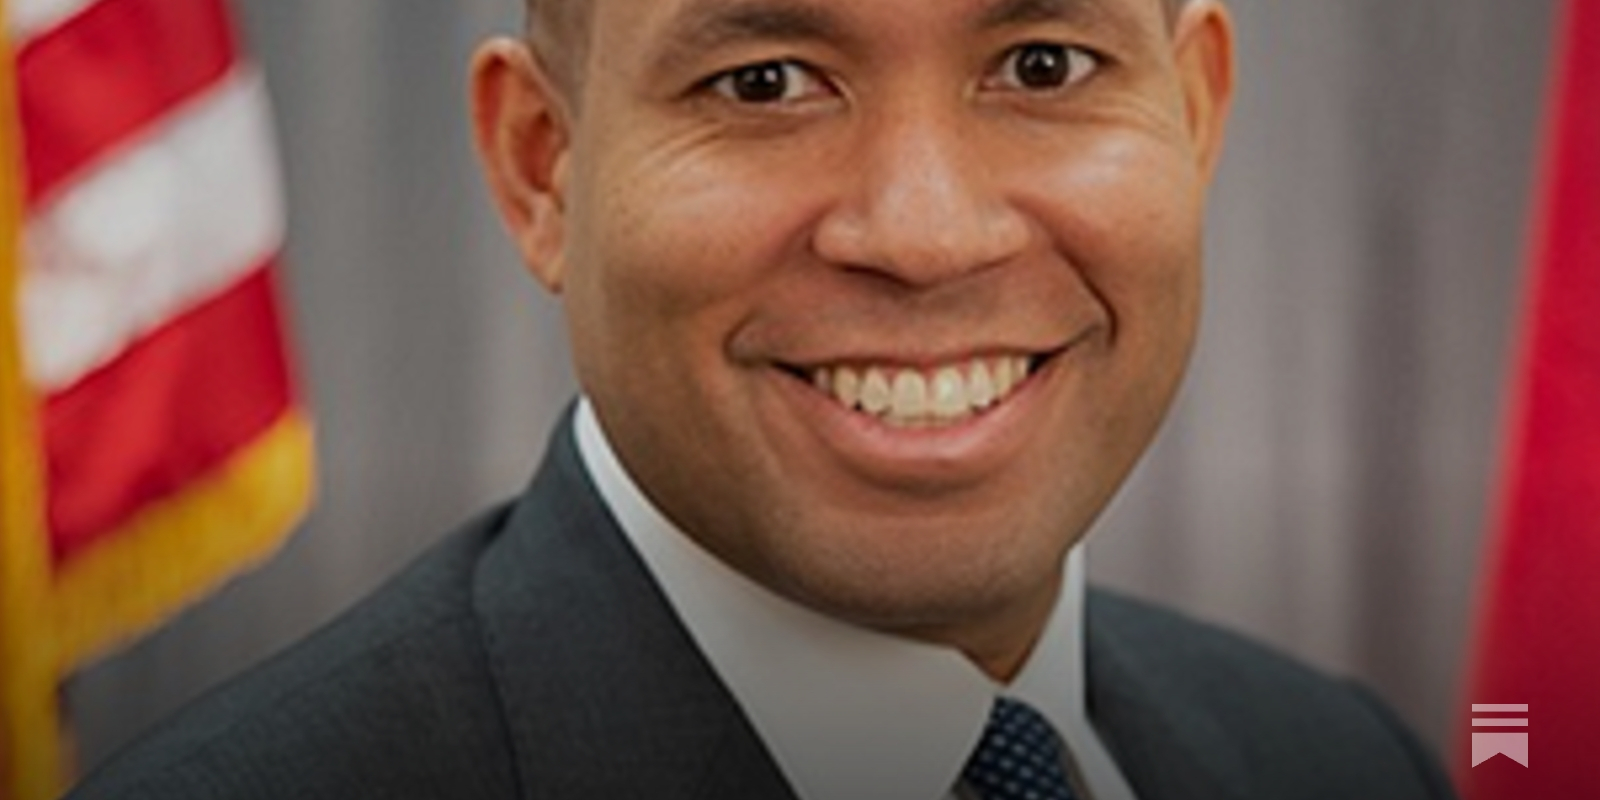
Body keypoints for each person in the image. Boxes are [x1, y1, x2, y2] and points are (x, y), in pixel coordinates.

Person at [68, 0, 1458, 798]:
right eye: (765, 82)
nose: (926, 233)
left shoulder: (1343, 763)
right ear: (544, 168)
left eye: (1043, 65)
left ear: (1194, 112)